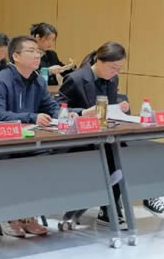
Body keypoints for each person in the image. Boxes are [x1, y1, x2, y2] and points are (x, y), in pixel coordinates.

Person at [57, 41, 143, 225]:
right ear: (100, 61)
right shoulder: (76, 78)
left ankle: (109, 206)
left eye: (119, 69)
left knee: (124, 154)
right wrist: (83, 112)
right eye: (113, 68)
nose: (116, 73)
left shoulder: (113, 79)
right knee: (112, 157)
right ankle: (103, 206)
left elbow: (108, 109)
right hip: (78, 139)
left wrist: (118, 109)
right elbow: (58, 109)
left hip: (102, 136)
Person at [0, 35, 60, 237]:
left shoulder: (38, 81)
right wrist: (32, 117)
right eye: (31, 51)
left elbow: (51, 107)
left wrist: (65, 115)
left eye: (38, 52)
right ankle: (9, 215)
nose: (37, 55)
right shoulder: (0, 81)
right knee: (12, 164)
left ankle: (28, 214)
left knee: (46, 159)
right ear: (16, 56)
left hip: (29, 142)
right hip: (2, 144)